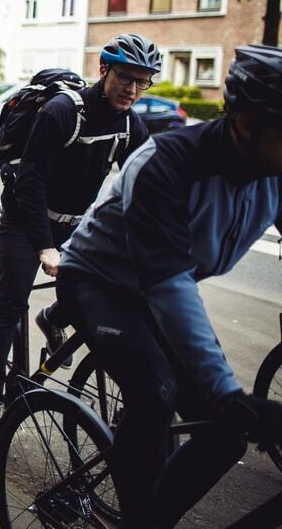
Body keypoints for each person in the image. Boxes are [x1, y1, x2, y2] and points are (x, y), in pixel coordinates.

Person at [56, 44, 282, 527]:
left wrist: (228, 404)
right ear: (247, 123)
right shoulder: (168, 161)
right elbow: (168, 285)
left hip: (157, 288)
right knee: (156, 393)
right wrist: (228, 392)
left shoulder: (272, 172)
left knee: (226, 435)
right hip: (99, 281)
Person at [0, 33, 157, 436]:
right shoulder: (62, 112)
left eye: (142, 82)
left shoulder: (130, 124)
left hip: (76, 223)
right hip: (26, 219)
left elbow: (146, 184)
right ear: (103, 70)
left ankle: (52, 316)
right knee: (12, 301)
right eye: (125, 77)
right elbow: (30, 182)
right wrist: (44, 246)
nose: (132, 90)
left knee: (91, 299)